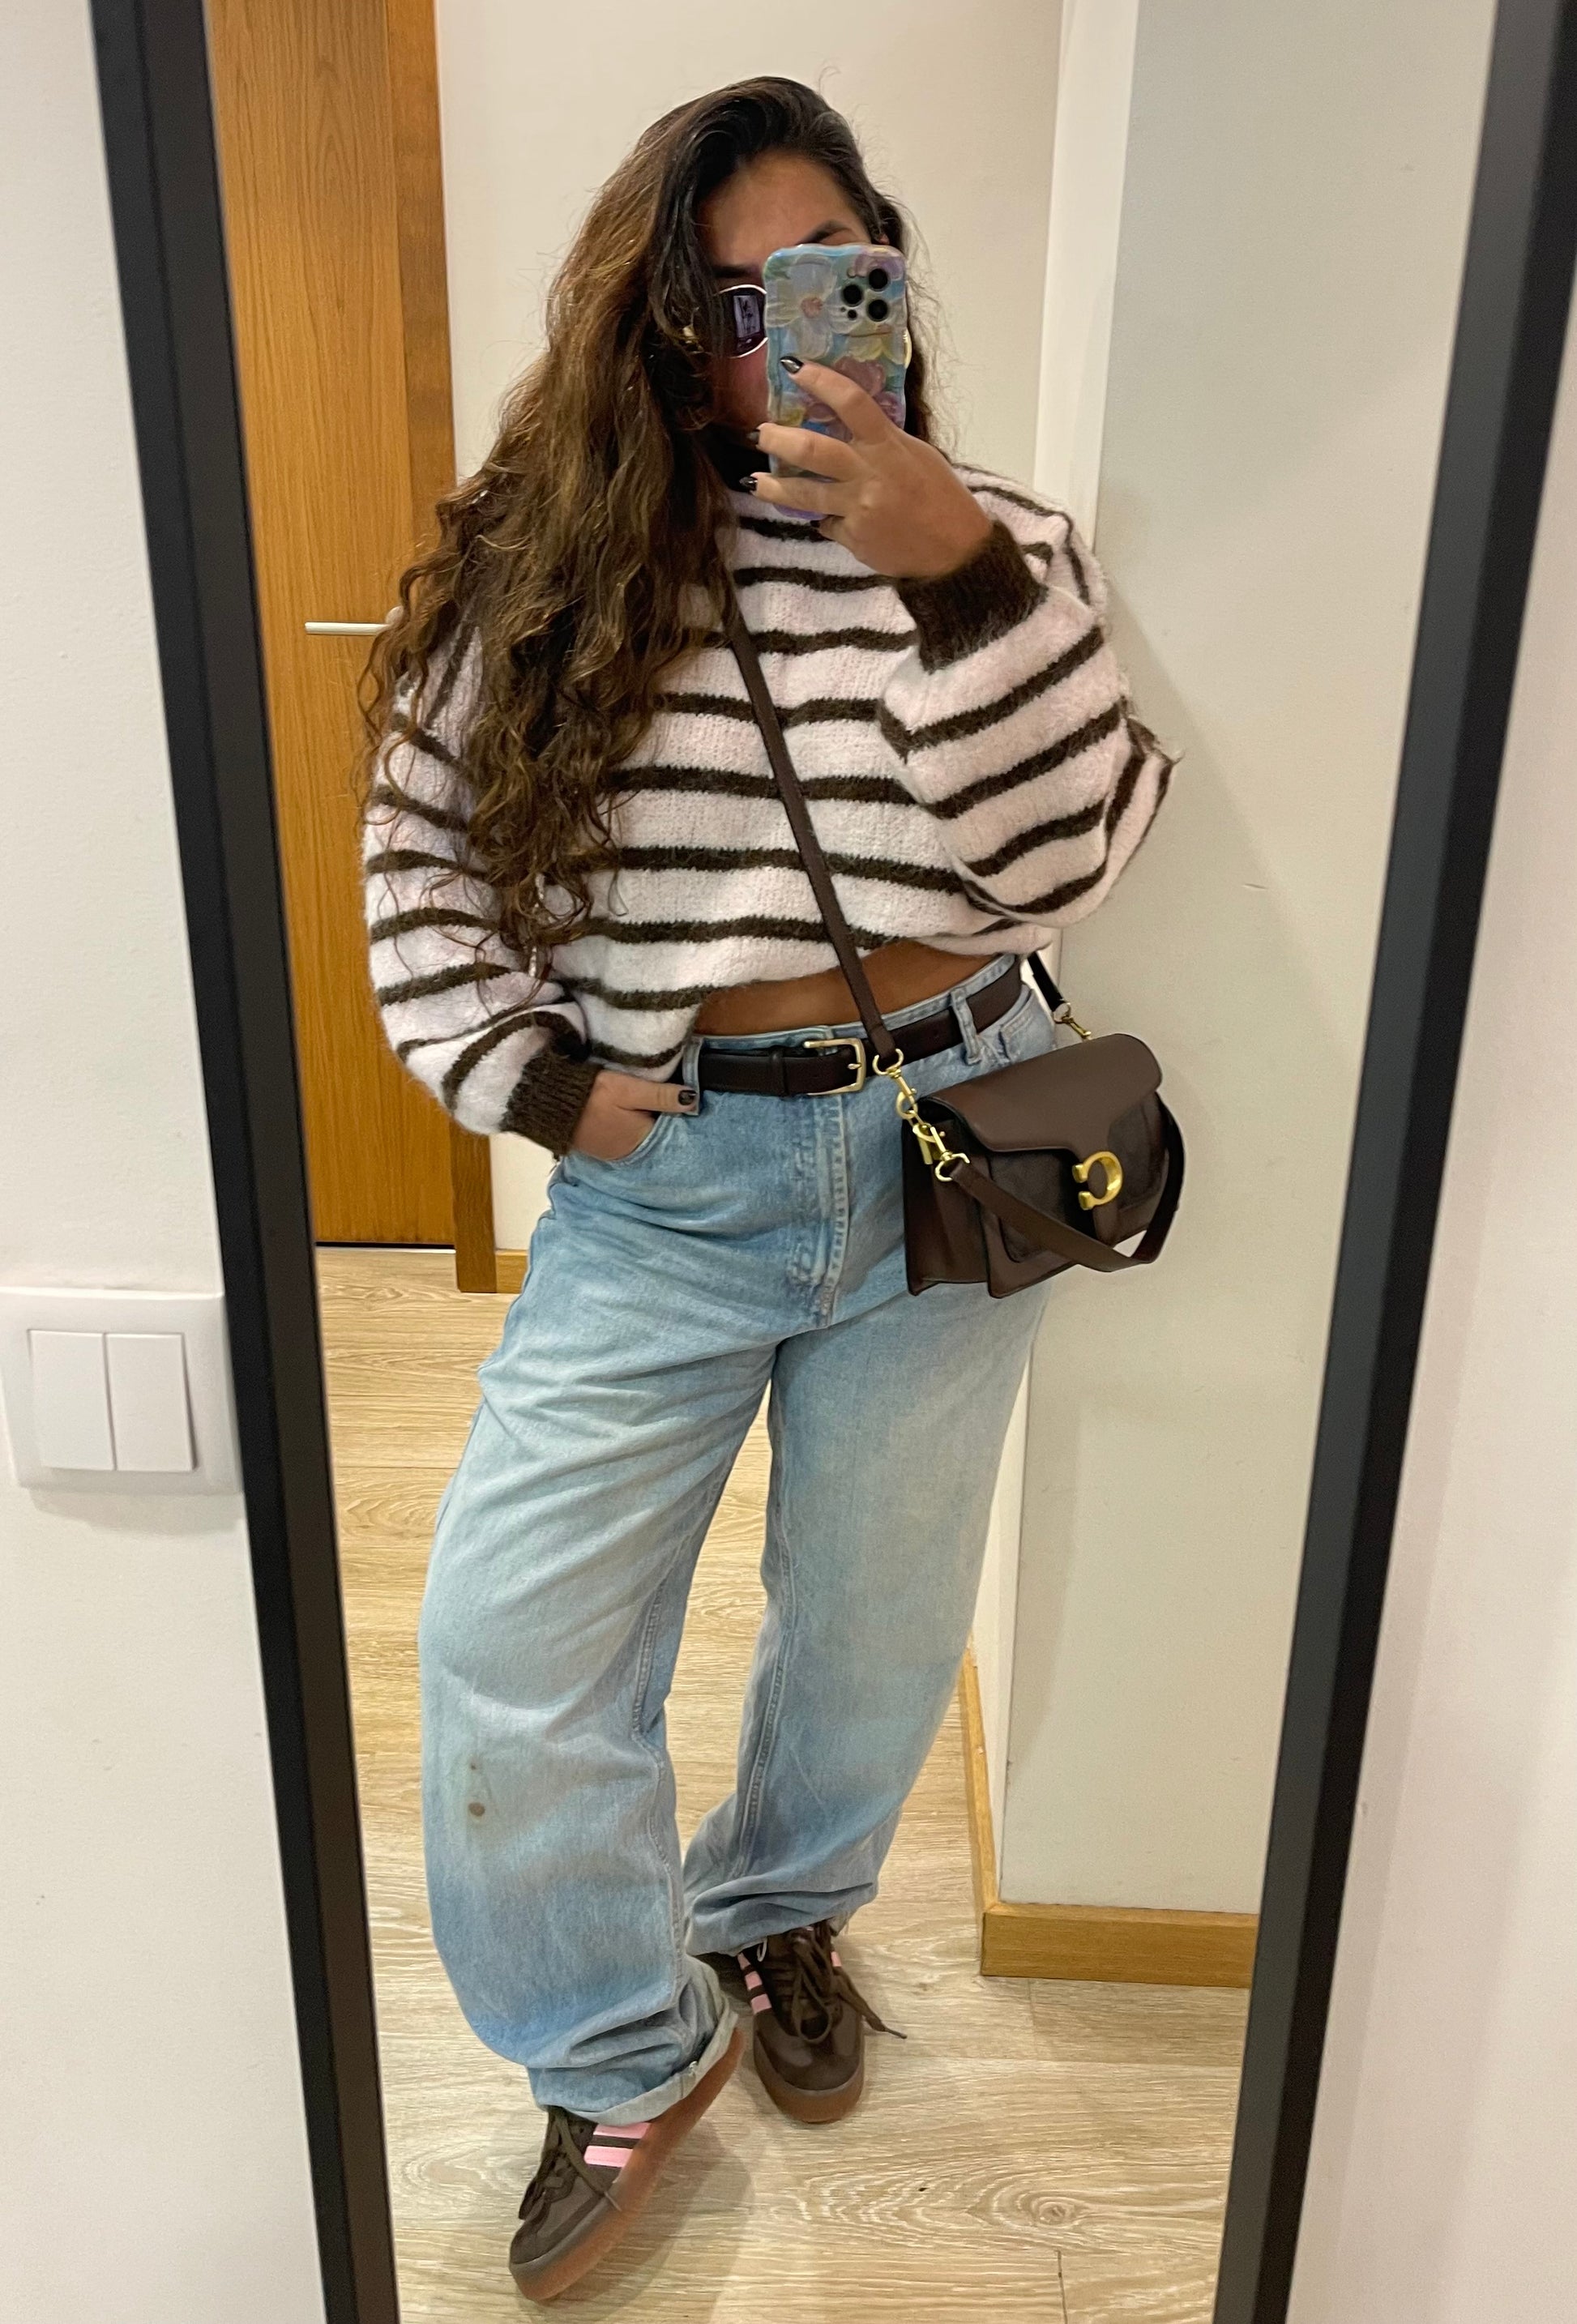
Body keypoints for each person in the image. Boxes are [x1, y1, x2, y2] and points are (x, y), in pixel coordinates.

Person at [364, 75, 1171, 2301]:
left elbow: (1069, 857)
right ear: (656, 322)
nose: (783, 333)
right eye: (732, 298)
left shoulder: (1001, 541)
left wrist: (954, 573)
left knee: (876, 1615)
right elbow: (419, 868)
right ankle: (622, 2044)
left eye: (833, 275)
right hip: (673, 1176)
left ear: (889, 282)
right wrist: (542, 1085)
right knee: (513, 1644)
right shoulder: (541, 572)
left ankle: (779, 1917)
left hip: (952, 1141)